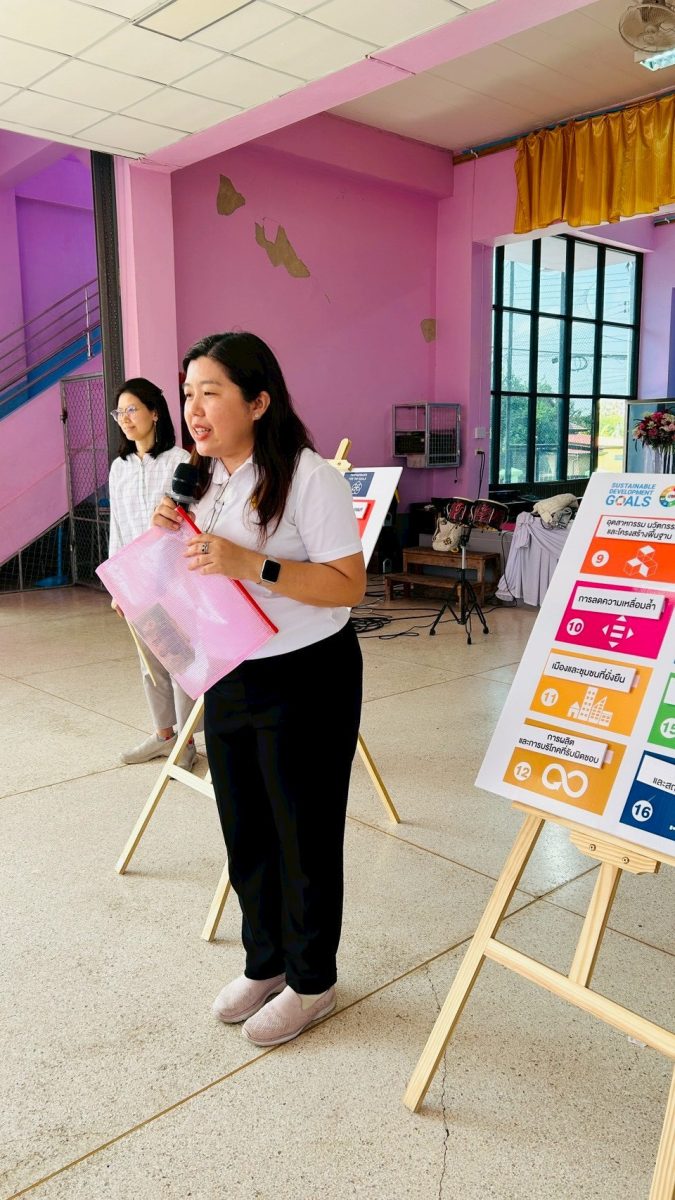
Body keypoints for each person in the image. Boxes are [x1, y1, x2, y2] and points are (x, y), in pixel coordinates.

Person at [152, 332, 365, 1047]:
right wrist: (160, 549)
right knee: (244, 827)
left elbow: (348, 585)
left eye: (210, 392)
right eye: (187, 393)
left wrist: (253, 564)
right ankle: (265, 962)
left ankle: (312, 979)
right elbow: (196, 572)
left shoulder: (309, 478)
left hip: (306, 673)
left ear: (258, 401)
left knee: (303, 833)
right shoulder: (199, 476)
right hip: (229, 667)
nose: (193, 409)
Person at [108, 377, 197, 770]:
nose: (125, 419)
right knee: (150, 663)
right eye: (120, 412)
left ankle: (186, 743)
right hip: (133, 582)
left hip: (173, 581)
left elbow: (186, 524)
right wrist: (116, 585)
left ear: (154, 413)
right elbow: (117, 526)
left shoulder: (180, 461)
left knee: (179, 663)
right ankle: (164, 736)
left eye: (132, 410)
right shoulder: (119, 467)